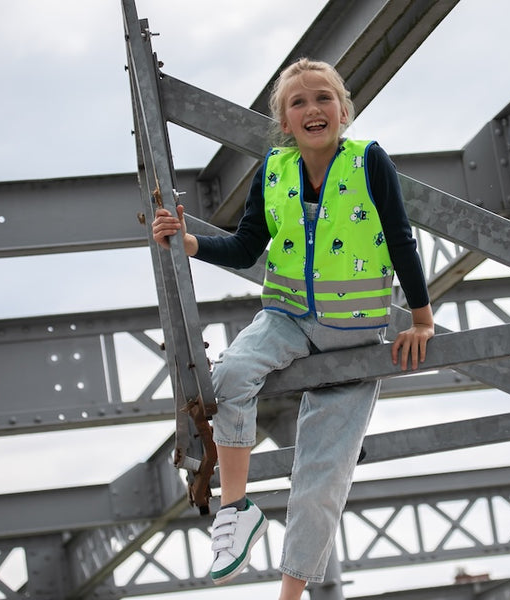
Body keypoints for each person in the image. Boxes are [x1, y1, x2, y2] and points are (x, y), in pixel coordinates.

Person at [151, 57, 434, 600]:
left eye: (323, 97)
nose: (312, 109)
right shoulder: (274, 170)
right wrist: (190, 243)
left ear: (344, 111)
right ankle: (236, 509)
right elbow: (246, 246)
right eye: (298, 102)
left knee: (321, 477)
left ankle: (290, 595)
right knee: (231, 373)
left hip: (352, 336)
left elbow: (400, 238)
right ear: (285, 121)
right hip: (286, 318)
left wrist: (421, 320)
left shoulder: (368, 162)